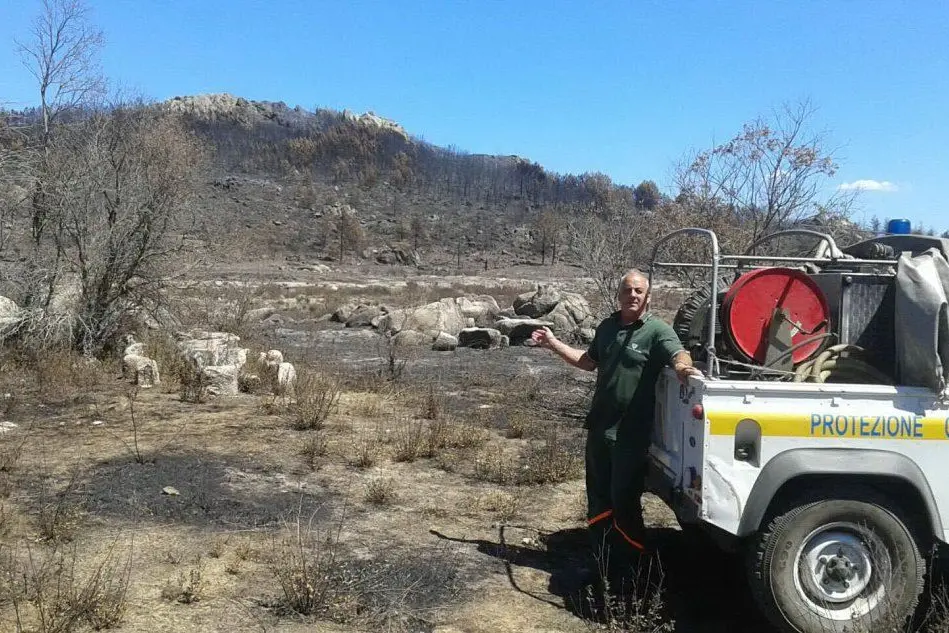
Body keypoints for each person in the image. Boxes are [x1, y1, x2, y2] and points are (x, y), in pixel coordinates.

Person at [531, 269, 701, 590]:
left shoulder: (656, 330)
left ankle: (632, 570)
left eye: (639, 291)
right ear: (619, 294)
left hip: (630, 438)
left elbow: (677, 353)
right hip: (599, 431)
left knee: (624, 502)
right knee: (597, 501)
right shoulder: (608, 327)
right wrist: (553, 344)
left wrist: (682, 367)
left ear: (647, 296)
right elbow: (587, 361)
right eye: (628, 290)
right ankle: (603, 563)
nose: (633, 295)